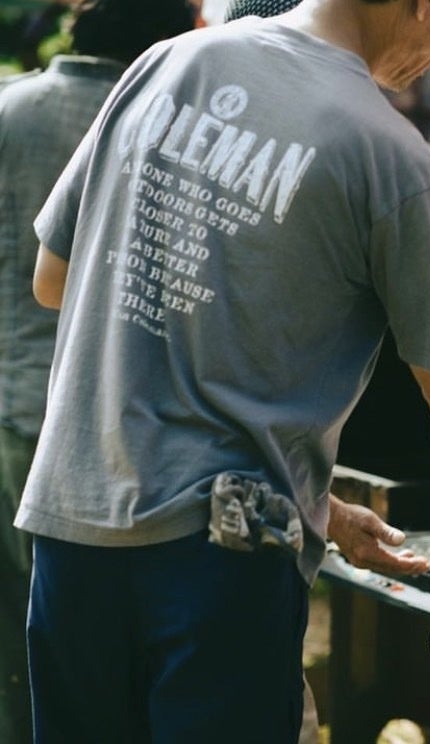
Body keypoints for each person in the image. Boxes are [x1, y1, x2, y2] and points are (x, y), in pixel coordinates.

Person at [14, 0, 430, 739]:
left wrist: (320, 505)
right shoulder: (398, 162)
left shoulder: (169, 62)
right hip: (222, 557)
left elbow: (53, 279)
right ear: (422, 5)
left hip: (72, 518)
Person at [0, 2, 198, 741]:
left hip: (8, 407)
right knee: (107, 664)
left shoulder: (9, 109)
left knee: (18, 656)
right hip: (122, 432)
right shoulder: (168, 126)